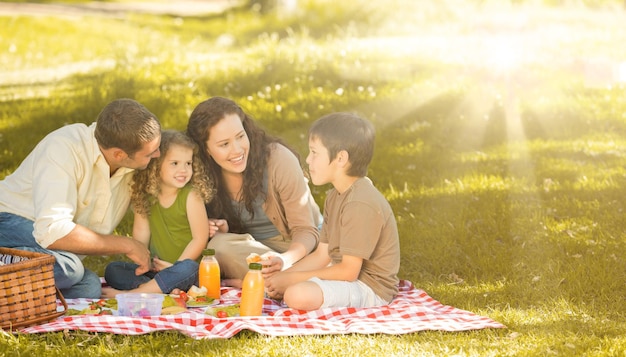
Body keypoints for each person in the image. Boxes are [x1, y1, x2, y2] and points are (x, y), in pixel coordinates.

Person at [0, 98, 162, 299]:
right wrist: (126, 244)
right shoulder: (63, 149)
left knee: (88, 288)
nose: (158, 154)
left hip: (49, 246)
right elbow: (52, 231)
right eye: (150, 153)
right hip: (7, 222)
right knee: (70, 268)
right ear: (119, 154)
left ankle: (13, 286)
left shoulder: (129, 163)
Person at [265, 112, 400, 311]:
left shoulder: (360, 203)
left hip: (370, 288)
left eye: (314, 152)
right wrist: (284, 276)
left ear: (340, 158)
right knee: (278, 284)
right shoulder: (334, 196)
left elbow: (349, 271)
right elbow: (322, 255)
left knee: (296, 294)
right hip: (344, 276)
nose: (308, 160)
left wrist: (290, 279)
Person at [186, 96, 322, 287]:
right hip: (253, 253)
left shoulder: (278, 159)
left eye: (240, 136)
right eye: (224, 144)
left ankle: (260, 282)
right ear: (205, 149)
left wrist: (284, 260)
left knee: (323, 262)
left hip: (299, 248)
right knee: (218, 246)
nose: (237, 150)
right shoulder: (199, 176)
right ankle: (282, 282)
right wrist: (216, 228)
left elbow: (307, 231)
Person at [101, 130, 223, 297]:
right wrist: (145, 263)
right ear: (156, 165)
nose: (184, 170)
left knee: (189, 268)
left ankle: (134, 294)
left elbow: (199, 239)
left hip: (186, 272)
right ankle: (160, 289)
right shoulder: (145, 195)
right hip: (157, 270)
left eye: (188, 163)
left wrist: (175, 267)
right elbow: (141, 234)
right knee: (113, 270)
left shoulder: (191, 196)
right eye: (175, 163)